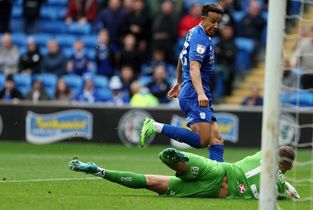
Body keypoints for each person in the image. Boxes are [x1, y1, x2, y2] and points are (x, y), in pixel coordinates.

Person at [139, 3, 225, 162]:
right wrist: (200, 92)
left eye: (219, 22)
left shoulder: (194, 32)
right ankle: (155, 126)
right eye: (213, 21)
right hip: (194, 93)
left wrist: (178, 82)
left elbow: (181, 56)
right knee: (202, 140)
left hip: (191, 89)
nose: (216, 25)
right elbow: (193, 67)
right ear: (203, 18)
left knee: (216, 138)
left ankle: (217, 179)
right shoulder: (201, 39)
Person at [68, 146, 300, 200]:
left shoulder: (262, 154)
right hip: (216, 191)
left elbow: (276, 158)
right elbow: (288, 194)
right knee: (151, 182)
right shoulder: (277, 188)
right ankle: (99, 171)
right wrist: (290, 188)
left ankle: (179, 161)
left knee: (169, 169)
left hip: (220, 170)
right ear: (288, 167)